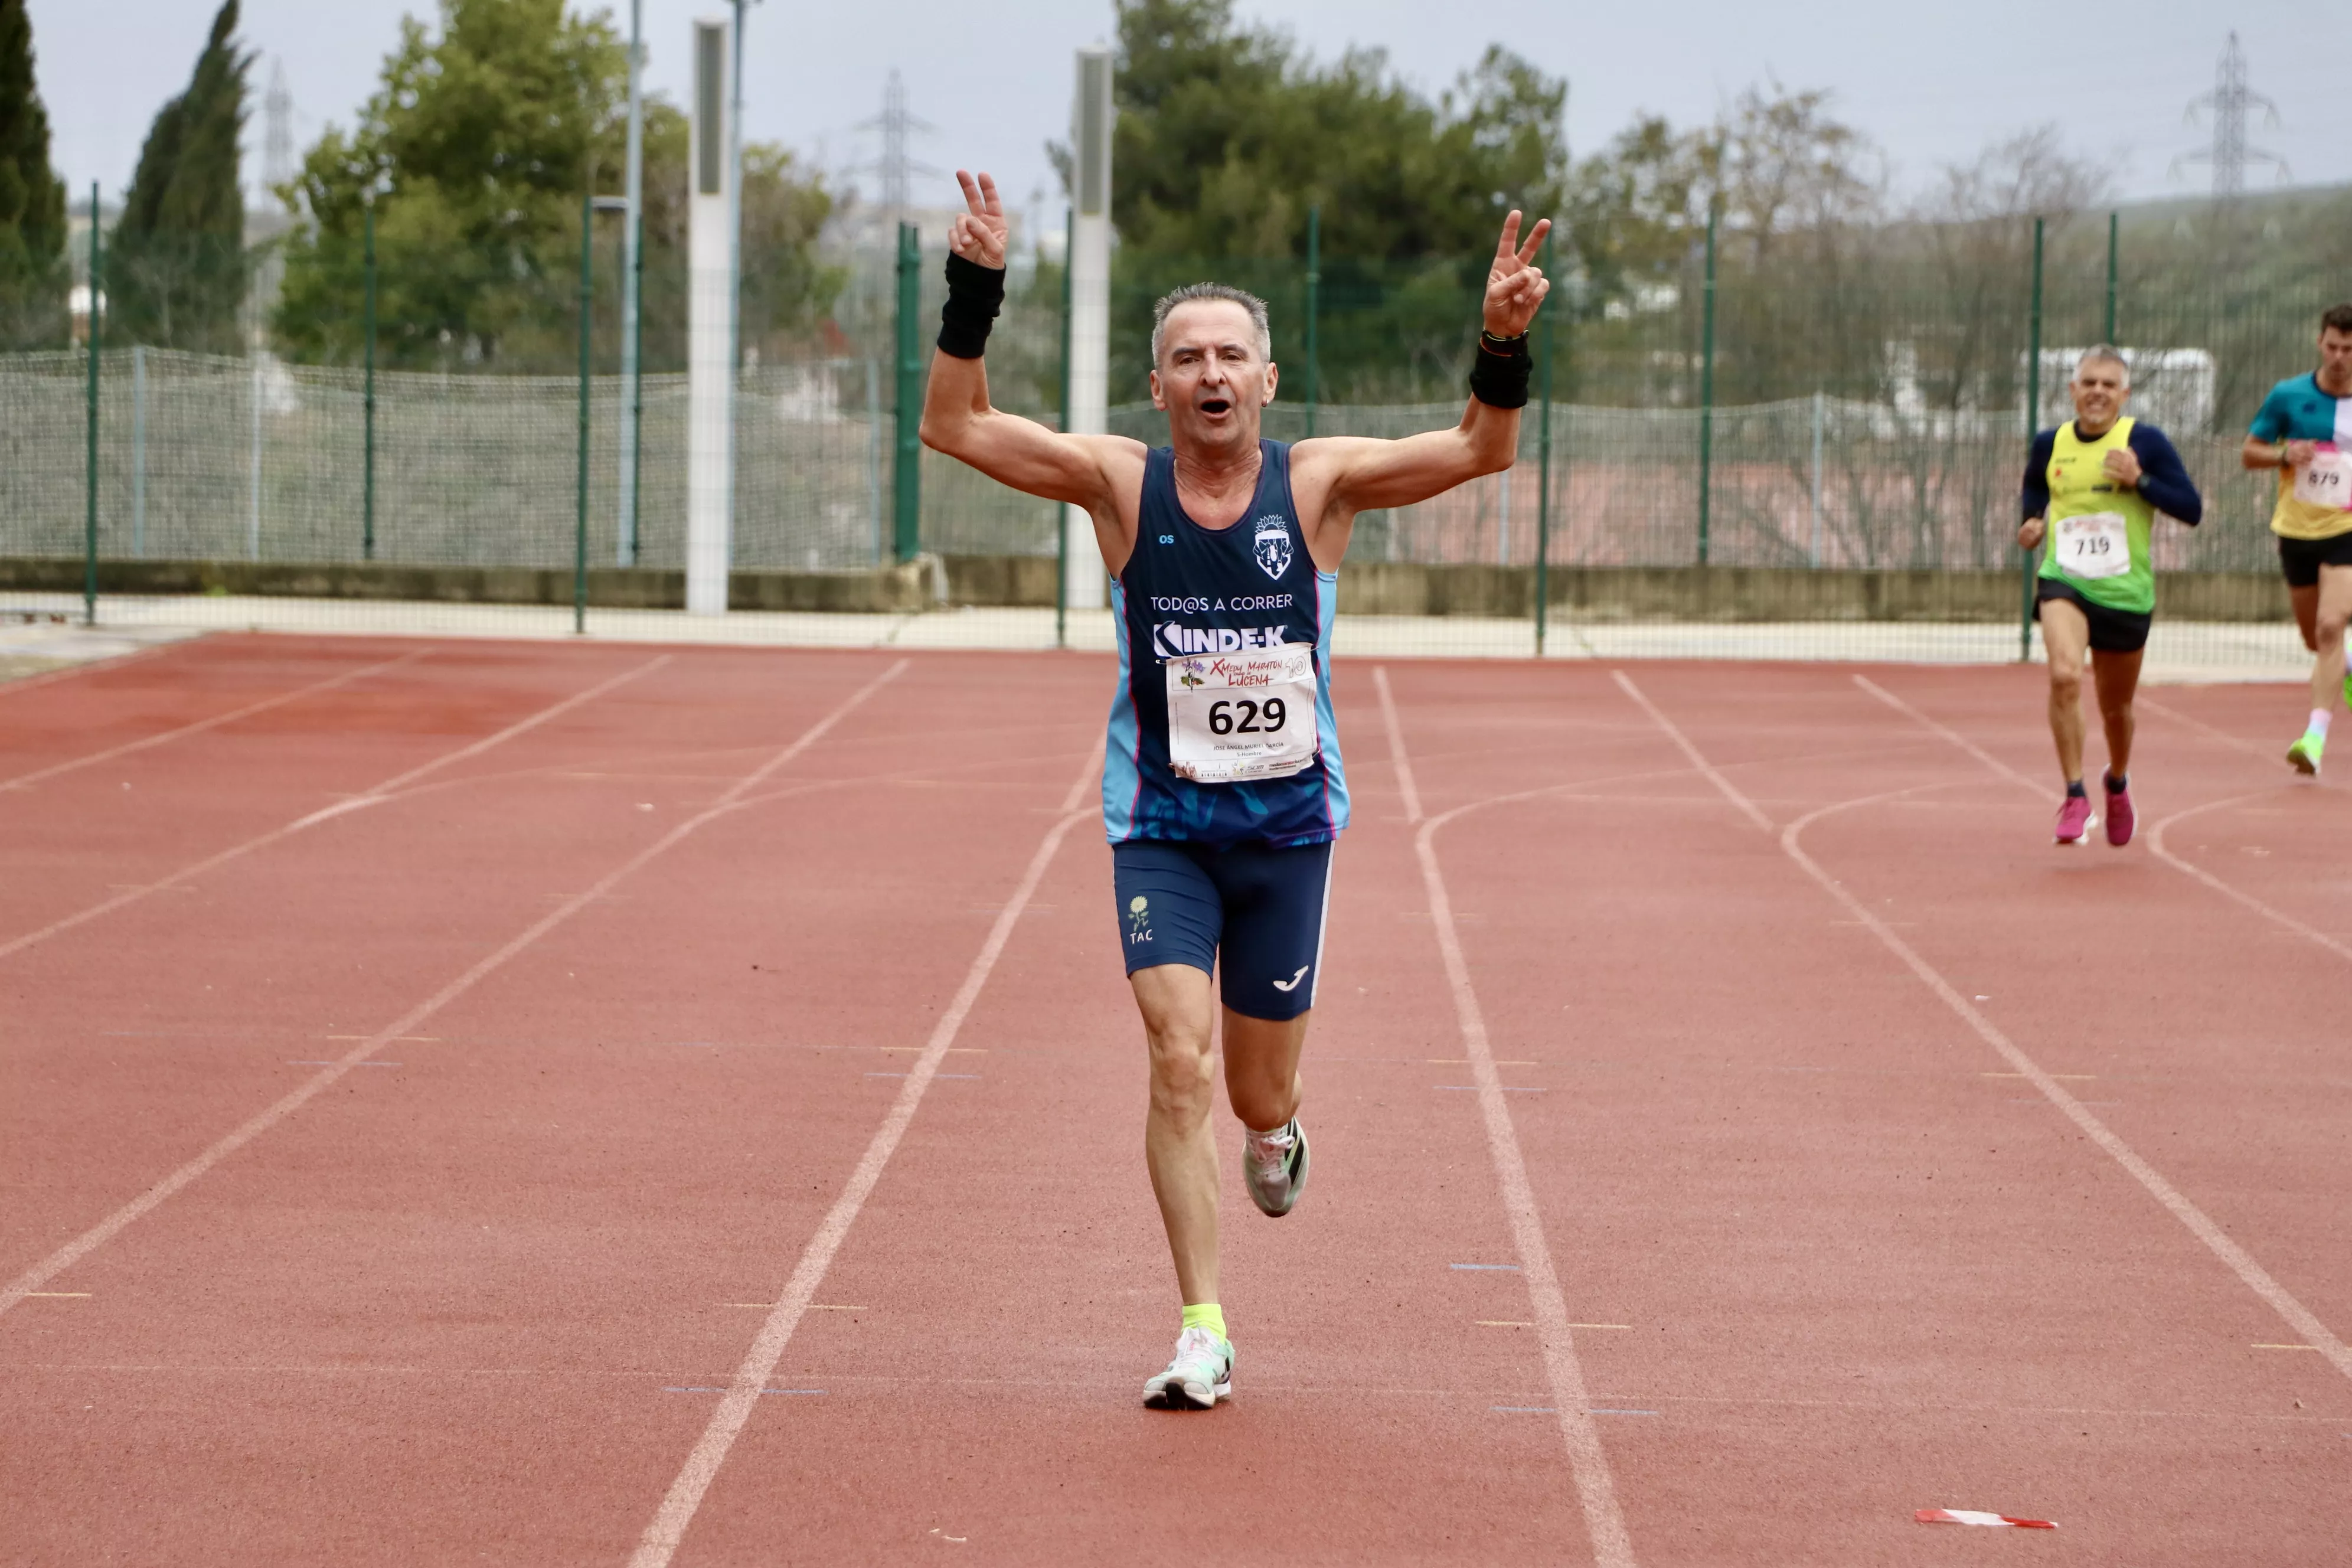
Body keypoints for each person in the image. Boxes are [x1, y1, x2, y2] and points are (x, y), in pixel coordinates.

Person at [919, 171, 1550, 1409]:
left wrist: (1503, 341)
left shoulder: (1317, 486)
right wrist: (974, 287)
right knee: (1175, 1058)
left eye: (1233, 354)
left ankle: (1279, 1129)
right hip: (1160, 827)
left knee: (1257, 1090)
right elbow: (955, 424)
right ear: (1157, 388)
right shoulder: (1118, 484)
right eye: (1187, 357)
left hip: (1286, 833)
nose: (1212, 372)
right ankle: (1202, 1322)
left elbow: (1485, 446)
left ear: (1267, 380)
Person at [2017, 346, 2203, 845]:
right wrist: (2031, 523)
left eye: (2108, 385)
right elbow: (2036, 488)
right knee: (2063, 677)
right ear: (2073, 390)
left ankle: (2116, 781)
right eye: (2088, 383)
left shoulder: (2145, 442)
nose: (2097, 392)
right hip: (2065, 580)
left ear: (2124, 394)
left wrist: (2139, 480)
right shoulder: (2049, 442)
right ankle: (2075, 794)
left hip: (2125, 594)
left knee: (2116, 708)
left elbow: (2191, 508)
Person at [2243, 303, 2352, 776]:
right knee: (2316, 641)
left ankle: (2314, 738)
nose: (2339, 357)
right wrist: (2285, 453)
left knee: (2332, 624)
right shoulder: (2288, 396)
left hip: (2346, 531)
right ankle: (2345, 664)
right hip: (2296, 531)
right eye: (2332, 346)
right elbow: (2250, 453)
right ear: (2319, 342)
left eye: (2349, 349)